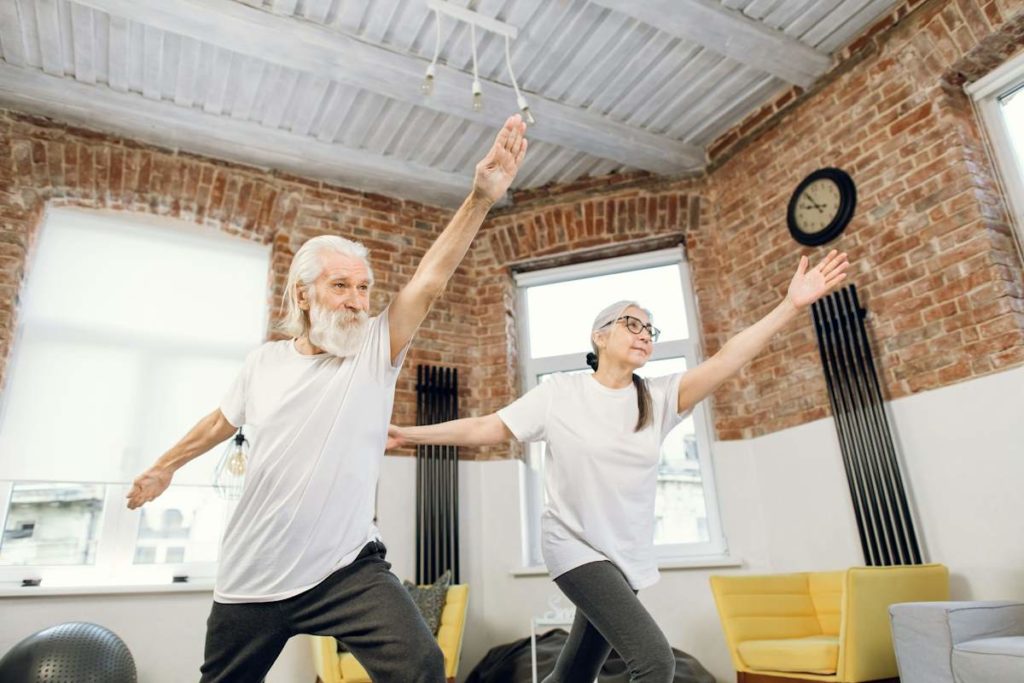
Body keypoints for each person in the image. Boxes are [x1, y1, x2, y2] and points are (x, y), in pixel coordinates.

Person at [125, 115, 529, 682]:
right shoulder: (264, 362)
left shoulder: (373, 350)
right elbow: (220, 421)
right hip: (255, 571)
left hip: (346, 570)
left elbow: (429, 282)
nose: (357, 300)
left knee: (420, 666)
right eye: (341, 285)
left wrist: (480, 199)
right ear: (305, 293)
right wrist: (163, 466)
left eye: (363, 287)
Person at [388, 249, 850, 682]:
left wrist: (791, 305)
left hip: (623, 555)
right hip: (572, 545)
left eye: (651, 330)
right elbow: (487, 428)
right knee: (654, 660)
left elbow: (729, 356)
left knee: (573, 675)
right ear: (600, 334)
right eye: (633, 323)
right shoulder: (560, 394)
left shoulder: (661, 397)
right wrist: (409, 434)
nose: (645, 334)